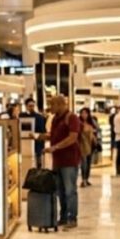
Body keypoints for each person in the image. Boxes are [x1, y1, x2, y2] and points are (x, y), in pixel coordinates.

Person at [43, 95, 80, 230]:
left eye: (52, 104)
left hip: (69, 160)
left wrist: (55, 147)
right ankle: (63, 217)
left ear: (59, 104)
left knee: (70, 190)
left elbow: (73, 137)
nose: (50, 108)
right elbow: (53, 136)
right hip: (57, 160)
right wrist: (39, 136)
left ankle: (72, 218)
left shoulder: (72, 118)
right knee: (60, 191)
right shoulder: (55, 119)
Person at [77, 107, 98, 187]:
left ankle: (86, 179)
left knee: (88, 163)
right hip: (82, 145)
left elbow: (96, 132)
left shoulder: (92, 122)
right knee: (84, 163)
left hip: (90, 145)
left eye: (85, 113)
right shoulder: (78, 123)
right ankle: (83, 180)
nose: (84, 115)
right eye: (82, 113)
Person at [24, 98, 47, 168]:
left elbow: (42, 131)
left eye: (33, 106)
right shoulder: (23, 116)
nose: (31, 107)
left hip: (38, 142)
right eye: (30, 106)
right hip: (26, 143)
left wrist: (42, 143)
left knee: (38, 161)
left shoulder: (39, 117)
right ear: (26, 106)